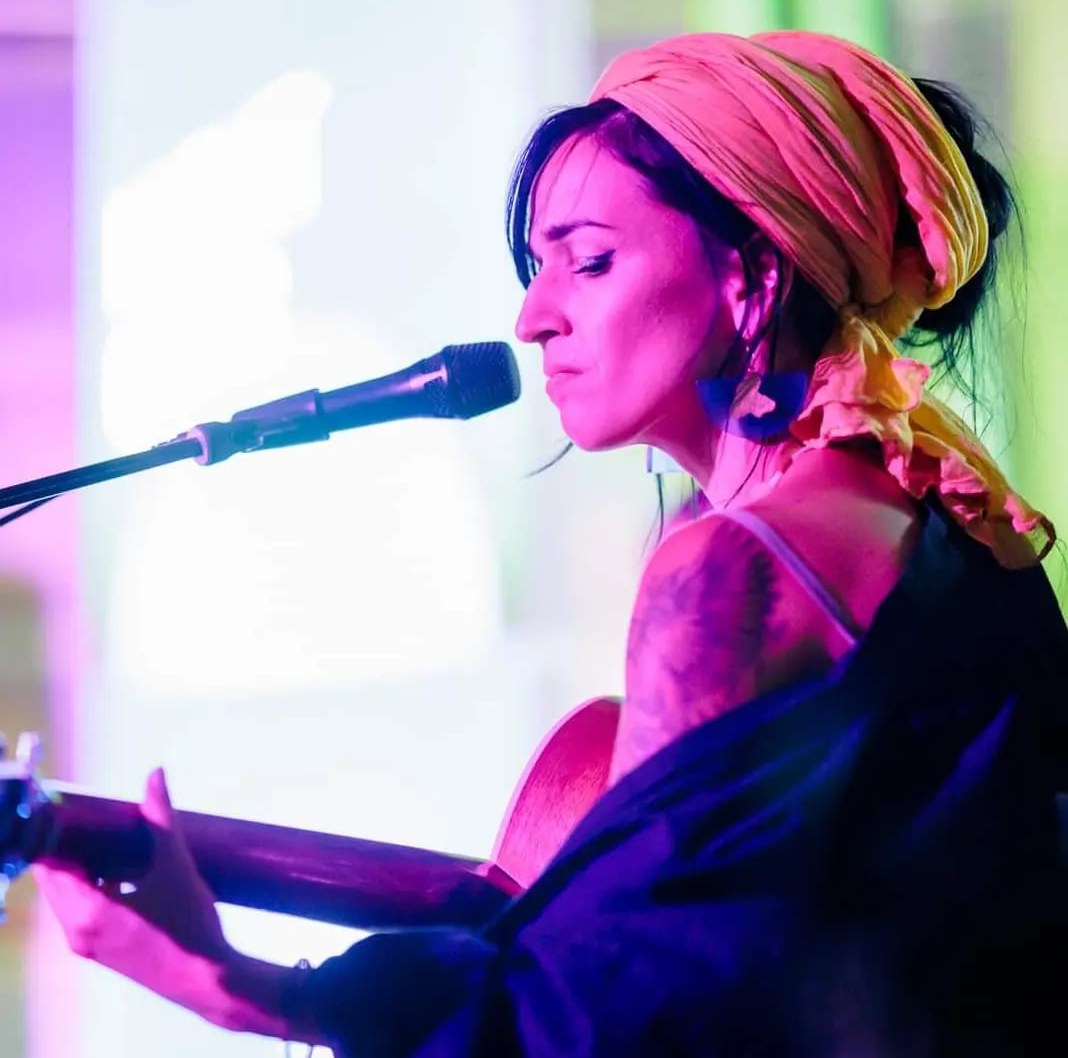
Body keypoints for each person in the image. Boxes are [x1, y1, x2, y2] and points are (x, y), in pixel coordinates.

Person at [34, 30, 1068, 1057]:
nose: (533, 319)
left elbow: (615, 1017)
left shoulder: (739, 563)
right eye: (539, 268)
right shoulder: (936, 511)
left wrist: (244, 989)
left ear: (752, 275)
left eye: (592, 260)